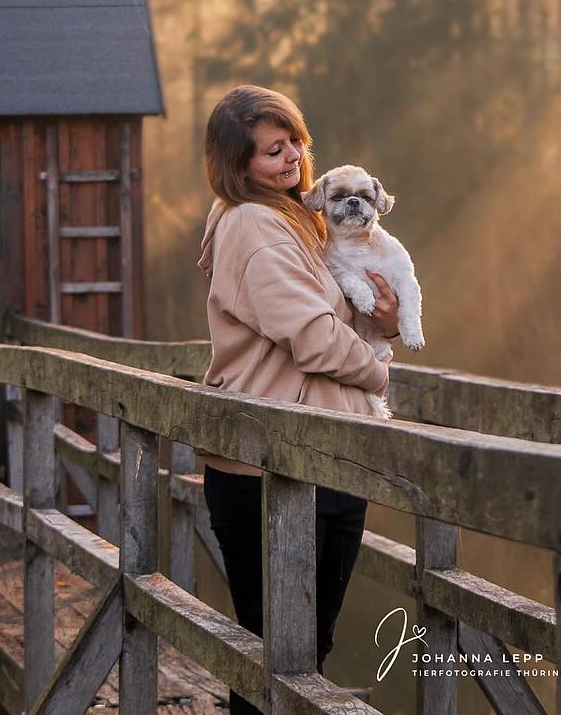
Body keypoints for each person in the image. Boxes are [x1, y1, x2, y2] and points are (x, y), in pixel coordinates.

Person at [196, 84, 400, 714]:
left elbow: (353, 308)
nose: (291, 160)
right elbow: (313, 339)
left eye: (294, 144)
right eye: (271, 153)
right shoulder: (255, 225)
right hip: (275, 462)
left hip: (318, 452)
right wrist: (381, 372)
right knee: (280, 651)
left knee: (296, 650)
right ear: (239, 167)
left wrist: (388, 324)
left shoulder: (299, 215)